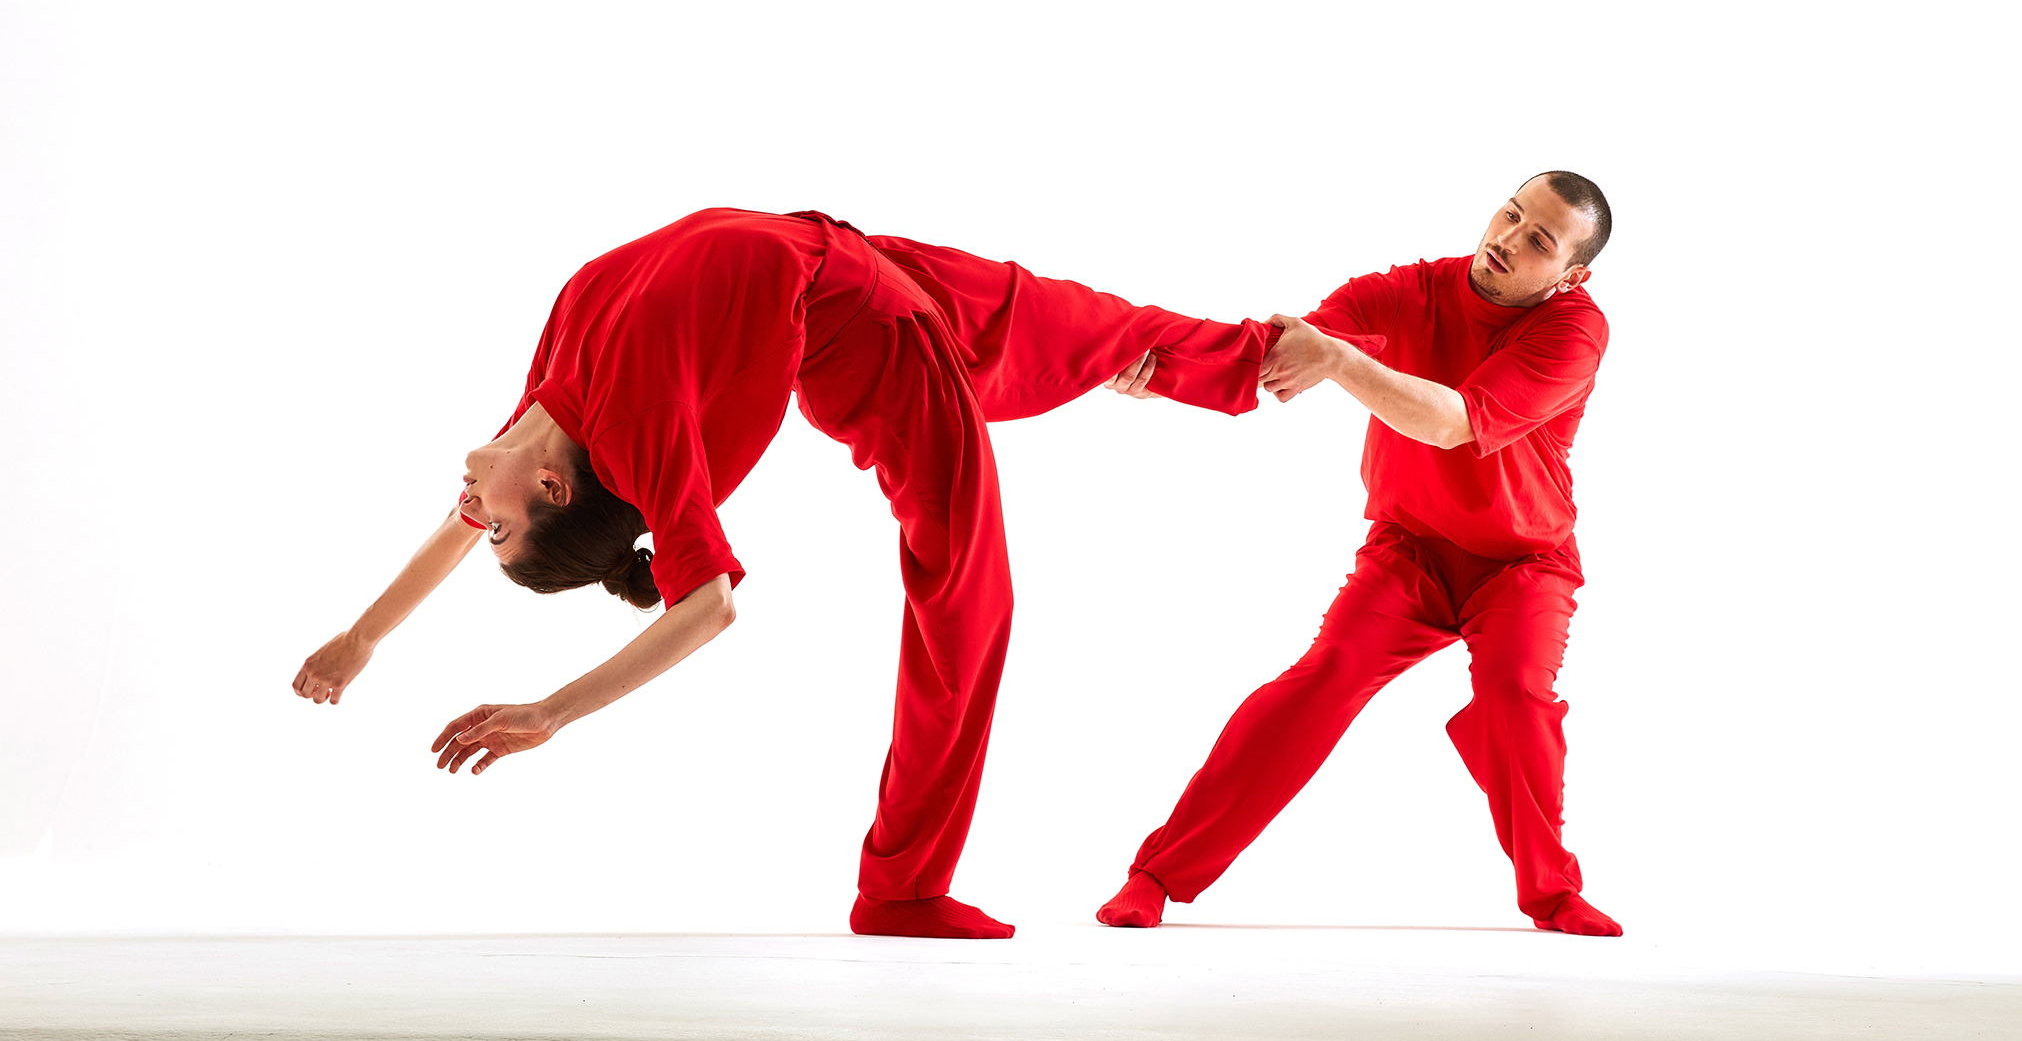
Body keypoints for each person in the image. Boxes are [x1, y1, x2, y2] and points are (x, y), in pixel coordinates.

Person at [291, 207, 1303, 941]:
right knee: (968, 593)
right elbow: (708, 604)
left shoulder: (543, 401)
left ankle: (1282, 355)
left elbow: (460, 520)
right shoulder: (631, 425)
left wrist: (362, 637)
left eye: (489, 522)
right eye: (500, 525)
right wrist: (553, 711)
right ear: (554, 488)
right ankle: (903, 888)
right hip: (877, 339)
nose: (474, 506)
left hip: (852, 257)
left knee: (1085, 327)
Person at [1098, 172, 1624, 936]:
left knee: (1515, 694)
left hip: (1521, 563)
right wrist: (1166, 374)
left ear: (1571, 276)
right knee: (1323, 678)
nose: (1508, 240)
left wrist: (1341, 362)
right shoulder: (1409, 291)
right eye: (1510, 215)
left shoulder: (1575, 331)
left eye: (1539, 240)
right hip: (1408, 549)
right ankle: (1156, 873)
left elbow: (1453, 421)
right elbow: (1282, 351)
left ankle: (1551, 891)